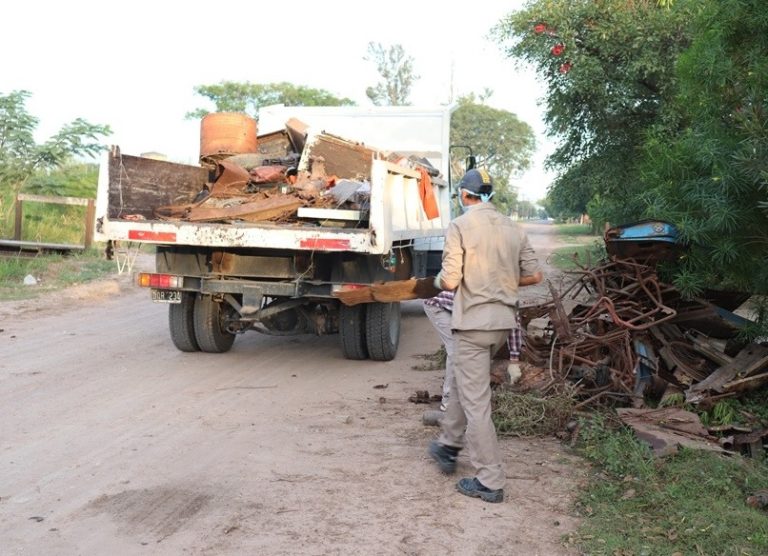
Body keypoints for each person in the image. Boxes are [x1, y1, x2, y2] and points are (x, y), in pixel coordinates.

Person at [427, 168, 542, 504]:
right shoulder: (513, 228)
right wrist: (502, 282)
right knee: (468, 383)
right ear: (490, 195)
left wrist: (430, 284)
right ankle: (448, 445)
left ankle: (490, 481)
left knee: (477, 403)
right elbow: (534, 274)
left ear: (465, 195)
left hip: (473, 325)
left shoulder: (460, 226)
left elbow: (449, 282)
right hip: (501, 326)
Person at [423, 291, 525, 411]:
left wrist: (514, 361)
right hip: (438, 305)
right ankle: (448, 401)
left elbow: (514, 328)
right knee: (456, 351)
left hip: (460, 308)